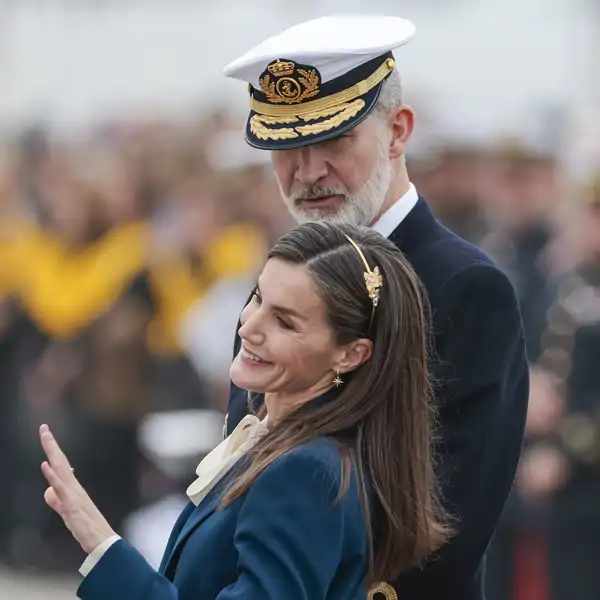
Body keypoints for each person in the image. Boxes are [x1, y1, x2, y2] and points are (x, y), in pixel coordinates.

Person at [222, 14, 529, 599]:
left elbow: (446, 525)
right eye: (287, 147)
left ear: (396, 131)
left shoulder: (464, 287)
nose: (308, 173)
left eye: (334, 140)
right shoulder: (282, 277)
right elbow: (241, 462)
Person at [39, 222, 451, 600]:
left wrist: (102, 545)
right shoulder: (285, 445)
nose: (249, 327)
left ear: (350, 355)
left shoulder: (306, 471)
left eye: (285, 322)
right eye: (257, 298)